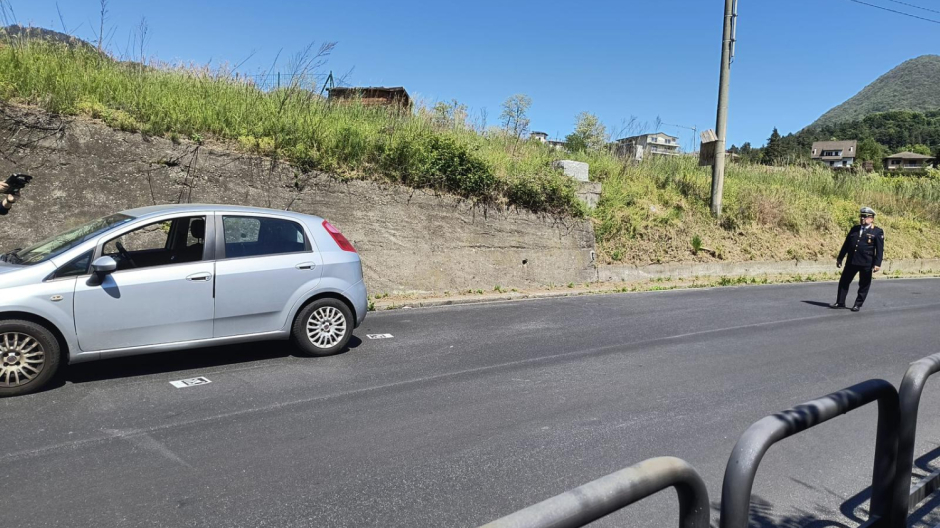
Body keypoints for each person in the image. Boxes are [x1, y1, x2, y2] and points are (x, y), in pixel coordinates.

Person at [831, 207, 884, 312]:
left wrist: (877, 264)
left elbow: (879, 250)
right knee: (844, 281)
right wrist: (840, 258)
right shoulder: (854, 229)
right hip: (852, 261)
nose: (862, 219)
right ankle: (840, 302)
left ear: (872, 219)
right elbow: (846, 245)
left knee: (864, 284)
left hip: (866, 262)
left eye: (865, 217)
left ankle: (858, 304)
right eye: (861, 216)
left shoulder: (877, 232)